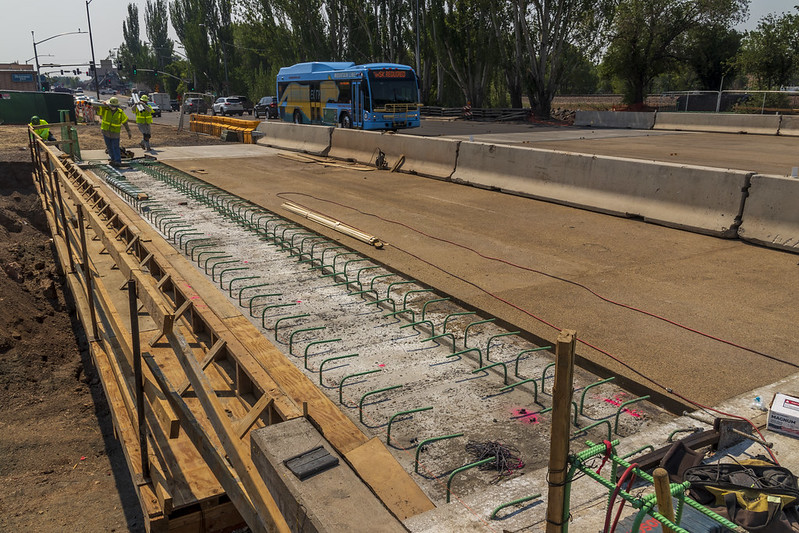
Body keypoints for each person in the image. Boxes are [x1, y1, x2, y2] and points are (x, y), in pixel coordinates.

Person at [92, 96, 131, 167]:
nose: (112, 107)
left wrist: (128, 131)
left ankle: (118, 161)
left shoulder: (120, 112)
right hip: (106, 131)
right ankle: (113, 160)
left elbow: (125, 122)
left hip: (115, 133)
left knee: (115, 147)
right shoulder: (106, 109)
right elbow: (97, 110)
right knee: (109, 147)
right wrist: (101, 105)